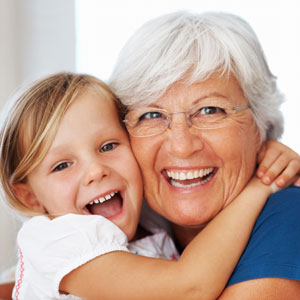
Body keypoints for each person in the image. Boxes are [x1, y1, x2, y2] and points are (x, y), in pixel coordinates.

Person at [0, 72, 297, 300]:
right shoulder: (57, 242)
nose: (95, 171)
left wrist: (264, 156)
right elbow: (190, 287)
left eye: (108, 146)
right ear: (29, 196)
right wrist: (261, 183)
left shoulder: (149, 220)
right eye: (62, 165)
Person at [108, 11, 300, 299]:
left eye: (210, 110)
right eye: (151, 115)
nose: (182, 145)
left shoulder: (289, 211)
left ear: (261, 127)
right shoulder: (129, 225)